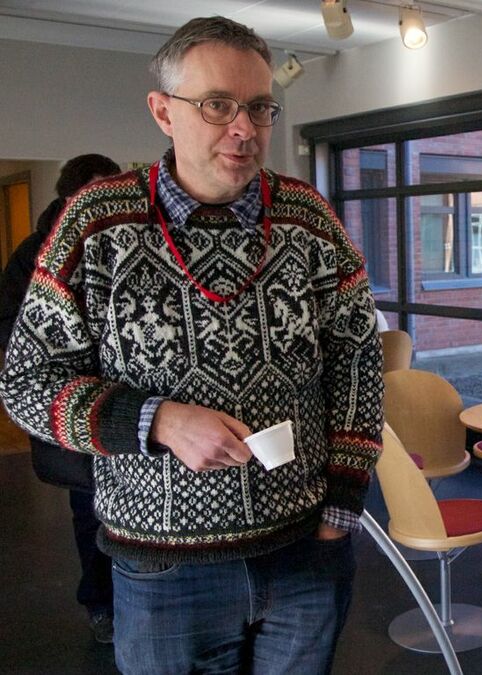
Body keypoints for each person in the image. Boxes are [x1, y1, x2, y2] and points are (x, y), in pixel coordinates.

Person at [0, 16, 383, 675]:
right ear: (163, 111)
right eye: (217, 105)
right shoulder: (98, 223)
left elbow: (357, 357)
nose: (245, 127)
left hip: (306, 551)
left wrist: (345, 500)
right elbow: (27, 381)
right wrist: (157, 420)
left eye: (260, 107)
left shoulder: (307, 217)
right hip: (163, 567)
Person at [0, 153, 122, 644]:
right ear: (70, 197)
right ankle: (101, 605)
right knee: (90, 512)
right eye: (94, 193)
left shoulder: (131, 243)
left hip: (139, 411)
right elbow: (14, 341)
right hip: (81, 413)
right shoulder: (35, 256)